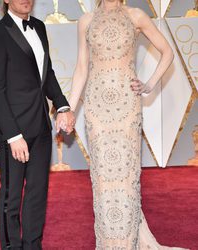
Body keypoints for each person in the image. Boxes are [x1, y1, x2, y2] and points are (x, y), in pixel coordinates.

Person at [69, 0, 188, 249]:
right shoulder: (86, 21)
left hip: (126, 107)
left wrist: (150, 83)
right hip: (97, 109)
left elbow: (167, 51)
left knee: (126, 176)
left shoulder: (136, 15)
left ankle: (128, 242)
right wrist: (69, 109)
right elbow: (81, 68)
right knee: (103, 179)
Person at [0, 0, 75, 249]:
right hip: (15, 132)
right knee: (11, 199)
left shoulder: (40, 27)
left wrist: (62, 105)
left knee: (37, 195)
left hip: (42, 127)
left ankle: (33, 245)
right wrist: (13, 135)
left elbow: (47, 75)